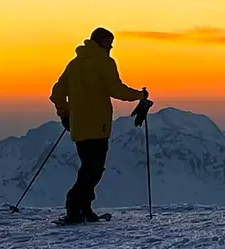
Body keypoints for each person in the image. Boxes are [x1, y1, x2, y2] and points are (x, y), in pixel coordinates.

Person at [48, 27, 149, 225]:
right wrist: (140, 95)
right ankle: (74, 207)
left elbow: (57, 93)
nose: (111, 47)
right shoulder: (104, 62)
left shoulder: (75, 64)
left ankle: (84, 209)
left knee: (89, 167)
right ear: (100, 42)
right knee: (93, 169)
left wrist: (65, 114)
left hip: (78, 126)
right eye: (109, 42)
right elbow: (116, 89)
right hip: (98, 125)